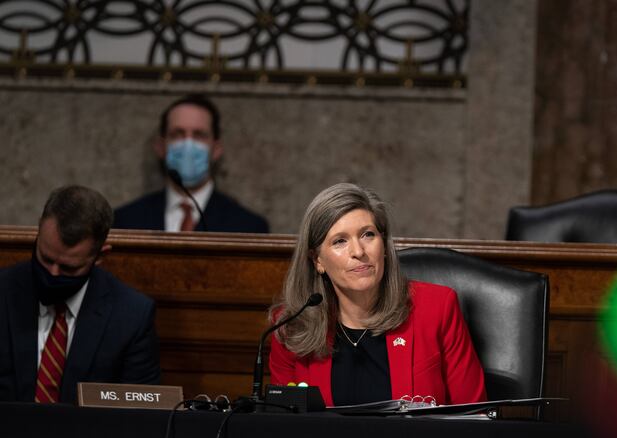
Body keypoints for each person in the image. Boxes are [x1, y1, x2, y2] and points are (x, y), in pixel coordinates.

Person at [268, 183, 486, 406]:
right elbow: (283, 426)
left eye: (367, 235)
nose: (358, 252)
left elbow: (474, 417)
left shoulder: (436, 308)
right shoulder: (291, 327)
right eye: (340, 241)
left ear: (383, 245)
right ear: (318, 260)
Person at [0, 185, 160, 403]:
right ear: (38, 230)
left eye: (68, 268)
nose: (52, 273)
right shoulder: (4, 291)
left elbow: (140, 416)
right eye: (45, 259)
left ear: (100, 256)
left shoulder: (131, 317)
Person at [113, 94, 269, 233]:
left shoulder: (249, 227)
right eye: (177, 134)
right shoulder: (124, 221)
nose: (188, 143)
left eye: (199, 135)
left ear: (216, 149)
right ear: (161, 147)